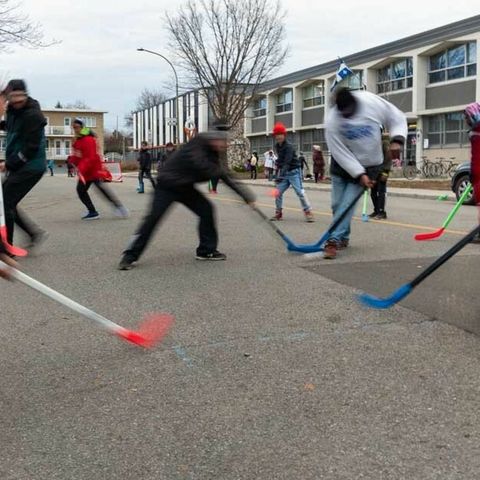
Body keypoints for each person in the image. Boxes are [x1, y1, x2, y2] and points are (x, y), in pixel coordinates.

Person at [118, 127, 255, 270]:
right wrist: (216, 171)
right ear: (213, 139)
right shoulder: (198, 143)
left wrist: (246, 196)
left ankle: (206, 250)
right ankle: (130, 255)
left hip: (185, 187)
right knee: (153, 218)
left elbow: (225, 176)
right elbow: (201, 163)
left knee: (206, 210)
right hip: (167, 184)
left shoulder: (213, 154)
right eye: (222, 141)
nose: (224, 145)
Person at [323, 88, 407, 259]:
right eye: (344, 113)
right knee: (336, 204)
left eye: (350, 111)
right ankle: (343, 236)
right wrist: (358, 173)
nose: (348, 115)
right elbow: (339, 151)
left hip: (370, 165)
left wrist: (397, 140)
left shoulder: (370, 102)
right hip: (342, 165)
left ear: (355, 102)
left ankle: (333, 240)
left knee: (346, 205)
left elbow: (396, 117)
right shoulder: (332, 120)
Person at [0, 79, 48, 247]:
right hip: (21, 165)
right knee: (9, 201)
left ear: (26, 95)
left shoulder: (33, 115)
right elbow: (11, 126)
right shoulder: (13, 110)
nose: (18, 100)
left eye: (22, 96)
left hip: (32, 165)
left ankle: (7, 247)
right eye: (14, 96)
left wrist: (8, 164)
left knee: (5, 201)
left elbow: (31, 148)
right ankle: (34, 234)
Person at [69, 118, 128, 220]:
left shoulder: (88, 139)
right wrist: (72, 163)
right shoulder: (78, 140)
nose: (75, 130)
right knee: (82, 190)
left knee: (99, 189)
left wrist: (81, 168)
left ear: (82, 127)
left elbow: (90, 157)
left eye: (77, 127)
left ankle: (118, 208)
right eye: (74, 128)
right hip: (86, 171)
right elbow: (77, 155)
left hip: (92, 170)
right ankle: (94, 211)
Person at [270, 122, 314, 222]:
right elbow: (280, 161)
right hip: (285, 174)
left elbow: (287, 162)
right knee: (277, 192)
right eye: (276, 135)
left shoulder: (289, 146)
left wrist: (280, 176)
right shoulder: (277, 146)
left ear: (284, 135)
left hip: (294, 172)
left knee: (300, 192)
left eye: (280, 134)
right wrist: (276, 172)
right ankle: (278, 213)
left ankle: (308, 212)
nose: (278, 137)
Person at [464, 102, 480, 242]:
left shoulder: (477, 133)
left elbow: (477, 158)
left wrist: (474, 174)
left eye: (466, 117)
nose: (466, 120)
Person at [369, 134, 392, 220]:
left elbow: (388, 159)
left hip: (382, 172)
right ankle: (376, 210)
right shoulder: (373, 144)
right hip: (373, 173)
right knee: (373, 193)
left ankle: (382, 212)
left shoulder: (384, 143)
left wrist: (385, 173)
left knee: (381, 192)